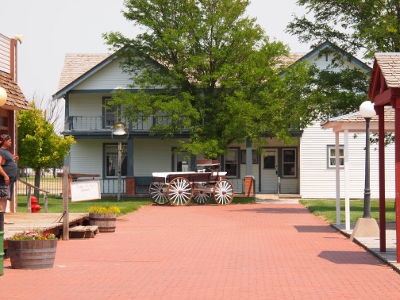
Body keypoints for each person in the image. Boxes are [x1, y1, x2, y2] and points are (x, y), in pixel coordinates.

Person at [0, 134, 19, 224]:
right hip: (4, 180)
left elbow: (6, 163)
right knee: (3, 198)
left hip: (9, 180)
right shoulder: (1, 152)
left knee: (5, 198)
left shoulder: (6, 152)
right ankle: (2, 219)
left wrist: (13, 159)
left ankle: (3, 218)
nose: (11, 142)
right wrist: (5, 176)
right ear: (4, 141)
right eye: (9, 140)